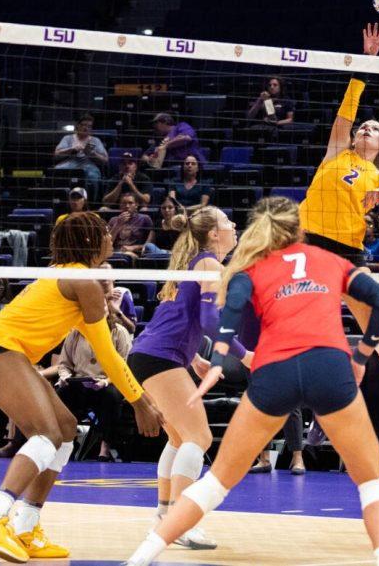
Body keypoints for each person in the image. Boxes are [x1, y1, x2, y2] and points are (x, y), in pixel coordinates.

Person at [121, 196, 379, 566]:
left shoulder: (239, 269)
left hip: (223, 363)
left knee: (199, 460)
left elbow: (203, 321)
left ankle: (152, 537)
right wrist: (361, 356)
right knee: (371, 481)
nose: (234, 228)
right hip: (322, 365)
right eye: (227, 222)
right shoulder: (323, 260)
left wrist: (209, 358)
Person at [0, 212, 161, 561]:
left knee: (66, 428)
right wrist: (140, 402)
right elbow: (110, 357)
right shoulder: (82, 279)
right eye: (104, 233)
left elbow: (107, 350)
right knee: (46, 433)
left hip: (3, 349)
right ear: (89, 241)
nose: (111, 238)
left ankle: (25, 526)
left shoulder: (77, 281)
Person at [298, 23, 379, 428]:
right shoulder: (338, 152)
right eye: (363, 127)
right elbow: (346, 111)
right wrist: (366, 63)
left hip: (348, 254)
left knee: (377, 327)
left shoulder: (376, 178)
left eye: (374, 129)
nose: (364, 129)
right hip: (309, 248)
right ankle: (324, 413)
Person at [126, 206, 243, 551]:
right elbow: (208, 321)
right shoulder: (209, 264)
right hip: (159, 357)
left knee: (179, 438)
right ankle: (180, 522)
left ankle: (164, 518)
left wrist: (192, 357)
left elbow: (173, 316)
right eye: (227, 222)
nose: (234, 225)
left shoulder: (191, 266)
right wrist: (244, 354)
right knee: (199, 436)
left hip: (148, 354)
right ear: (213, 234)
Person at [54, 288, 132, 462]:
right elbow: (64, 364)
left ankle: (105, 447)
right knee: (61, 395)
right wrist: (65, 377)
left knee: (111, 396)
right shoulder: (75, 332)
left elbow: (124, 367)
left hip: (108, 383)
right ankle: (64, 441)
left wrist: (106, 381)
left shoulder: (119, 332)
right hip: (79, 384)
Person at [52, 113, 108, 198]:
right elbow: (56, 154)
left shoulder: (95, 140)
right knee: (57, 171)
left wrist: (92, 153)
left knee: (93, 177)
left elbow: (105, 160)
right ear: (78, 126)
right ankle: (58, 198)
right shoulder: (68, 138)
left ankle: (92, 203)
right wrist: (72, 149)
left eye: (89, 126)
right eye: (84, 125)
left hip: (88, 164)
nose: (86, 128)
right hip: (70, 163)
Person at [108, 192, 157, 258]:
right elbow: (107, 243)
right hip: (116, 252)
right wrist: (117, 225)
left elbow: (150, 244)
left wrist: (134, 247)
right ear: (120, 205)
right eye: (124, 203)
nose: (127, 206)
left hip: (135, 253)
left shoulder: (145, 219)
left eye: (130, 203)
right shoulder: (113, 220)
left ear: (136, 205)